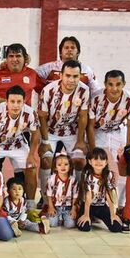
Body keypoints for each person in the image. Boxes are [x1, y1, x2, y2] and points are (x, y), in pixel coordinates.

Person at [0, 85, 39, 208]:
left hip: (17, 144)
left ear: (24, 101)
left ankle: (30, 206)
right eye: (12, 101)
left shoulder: (30, 112)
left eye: (19, 102)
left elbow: (35, 134)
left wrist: (31, 155)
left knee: (31, 167)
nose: (15, 105)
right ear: (6, 101)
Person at [88, 70, 130, 210]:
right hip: (99, 132)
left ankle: (121, 205)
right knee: (97, 165)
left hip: (119, 131)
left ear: (124, 84)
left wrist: (128, 150)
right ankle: (95, 203)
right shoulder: (95, 98)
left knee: (123, 166)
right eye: (110, 84)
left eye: (118, 84)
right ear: (105, 84)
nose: (114, 88)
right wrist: (92, 149)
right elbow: (90, 126)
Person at [38, 60, 90, 200]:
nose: (71, 80)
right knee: (46, 160)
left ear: (80, 76)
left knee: (79, 160)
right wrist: (45, 141)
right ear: (60, 75)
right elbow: (42, 117)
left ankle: (79, 199)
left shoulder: (84, 90)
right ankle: (45, 199)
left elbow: (83, 116)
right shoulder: (48, 90)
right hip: (50, 131)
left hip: (71, 132)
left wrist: (80, 141)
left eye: (75, 76)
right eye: (67, 75)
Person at [76, 148, 123, 233]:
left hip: (101, 205)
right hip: (89, 205)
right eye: (95, 159)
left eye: (102, 159)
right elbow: (88, 196)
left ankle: (96, 217)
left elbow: (109, 194)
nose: (99, 161)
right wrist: (86, 215)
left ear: (106, 162)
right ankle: (90, 216)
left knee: (117, 227)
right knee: (85, 227)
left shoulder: (109, 174)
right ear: (90, 162)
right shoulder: (88, 175)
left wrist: (113, 214)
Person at [36, 36, 101, 95]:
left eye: (72, 48)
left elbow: (96, 92)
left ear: (78, 52)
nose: (69, 50)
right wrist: (45, 93)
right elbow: (31, 78)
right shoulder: (48, 68)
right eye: (66, 48)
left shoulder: (87, 70)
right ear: (60, 52)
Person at [45, 152, 78, 229]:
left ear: (70, 166)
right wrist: (51, 207)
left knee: (70, 225)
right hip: (55, 206)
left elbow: (75, 196)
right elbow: (49, 194)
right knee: (52, 224)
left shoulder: (73, 180)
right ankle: (48, 215)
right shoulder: (51, 179)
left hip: (68, 207)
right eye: (59, 165)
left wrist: (73, 209)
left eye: (66, 164)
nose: (63, 167)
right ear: (55, 167)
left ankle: (64, 218)